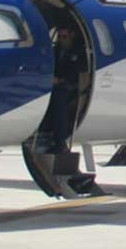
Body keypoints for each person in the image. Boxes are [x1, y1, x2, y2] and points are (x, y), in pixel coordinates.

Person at [47, 25, 88, 154]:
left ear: (72, 35)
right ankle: (46, 132)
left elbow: (81, 75)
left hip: (73, 88)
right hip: (56, 85)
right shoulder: (55, 51)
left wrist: (60, 81)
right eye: (59, 37)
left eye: (64, 36)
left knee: (59, 98)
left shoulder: (79, 53)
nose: (61, 40)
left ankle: (60, 142)